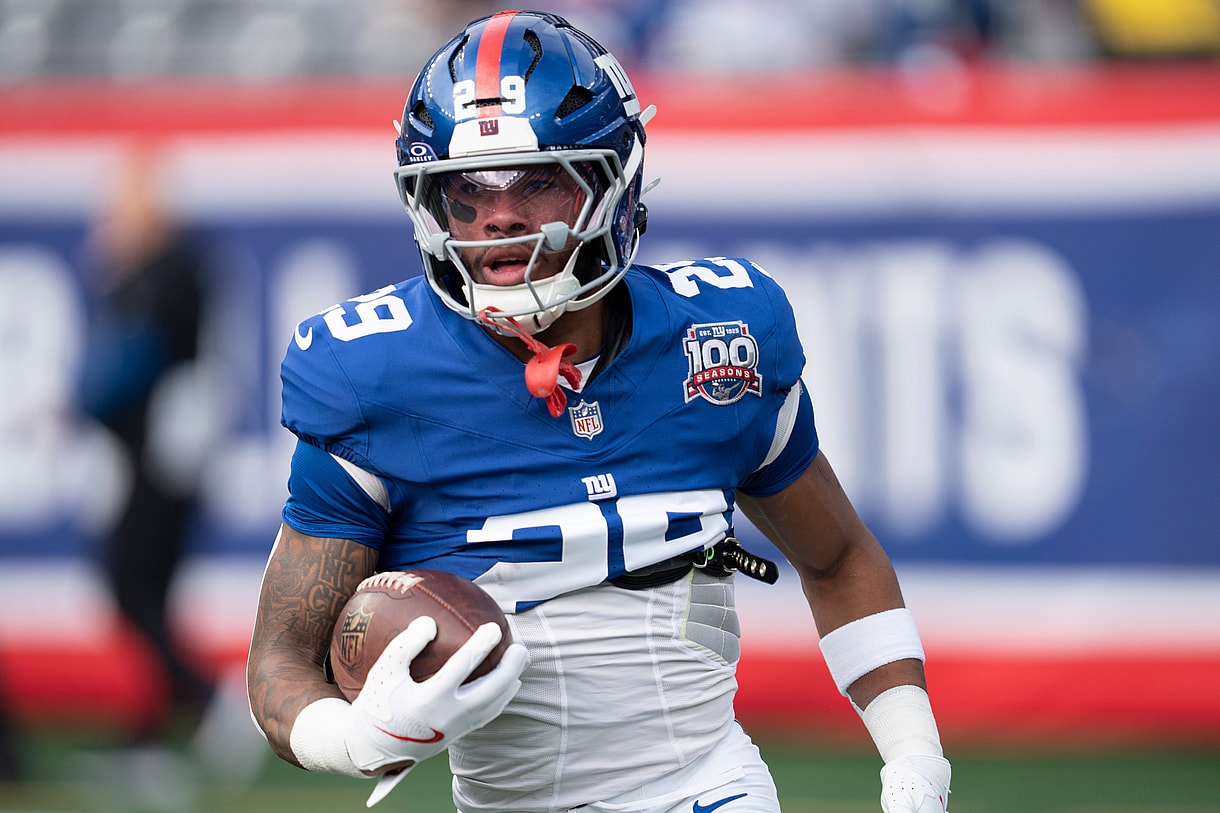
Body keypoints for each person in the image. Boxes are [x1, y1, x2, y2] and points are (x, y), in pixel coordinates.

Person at [246, 10, 952, 813]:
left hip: (708, 788)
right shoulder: (373, 375)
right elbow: (280, 659)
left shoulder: (718, 339)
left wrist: (913, 760)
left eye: (537, 178)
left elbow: (838, 557)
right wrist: (354, 737)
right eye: (467, 190)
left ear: (613, 181)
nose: (499, 217)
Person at [79, 144, 214, 742]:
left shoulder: (162, 272)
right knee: (142, 586)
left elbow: (133, 364)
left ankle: (199, 698)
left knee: (135, 582)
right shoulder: (167, 269)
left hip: (158, 450)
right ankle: (156, 718)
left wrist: (82, 407)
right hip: (153, 449)